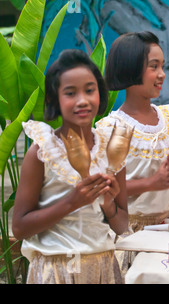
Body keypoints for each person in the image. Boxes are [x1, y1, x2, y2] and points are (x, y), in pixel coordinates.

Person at [12, 49, 128, 284]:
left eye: (89, 90)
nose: (82, 100)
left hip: (102, 267)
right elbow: (20, 228)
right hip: (55, 270)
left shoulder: (112, 150)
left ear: (100, 94)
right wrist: (72, 202)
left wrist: (108, 203)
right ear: (55, 99)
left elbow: (122, 225)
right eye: (70, 93)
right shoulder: (42, 152)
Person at [96, 31, 169, 229]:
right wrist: (151, 183)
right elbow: (107, 190)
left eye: (163, 66)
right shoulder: (113, 128)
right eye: (154, 66)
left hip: (166, 227)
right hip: (128, 231)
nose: (162, 74)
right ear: (130, 68)